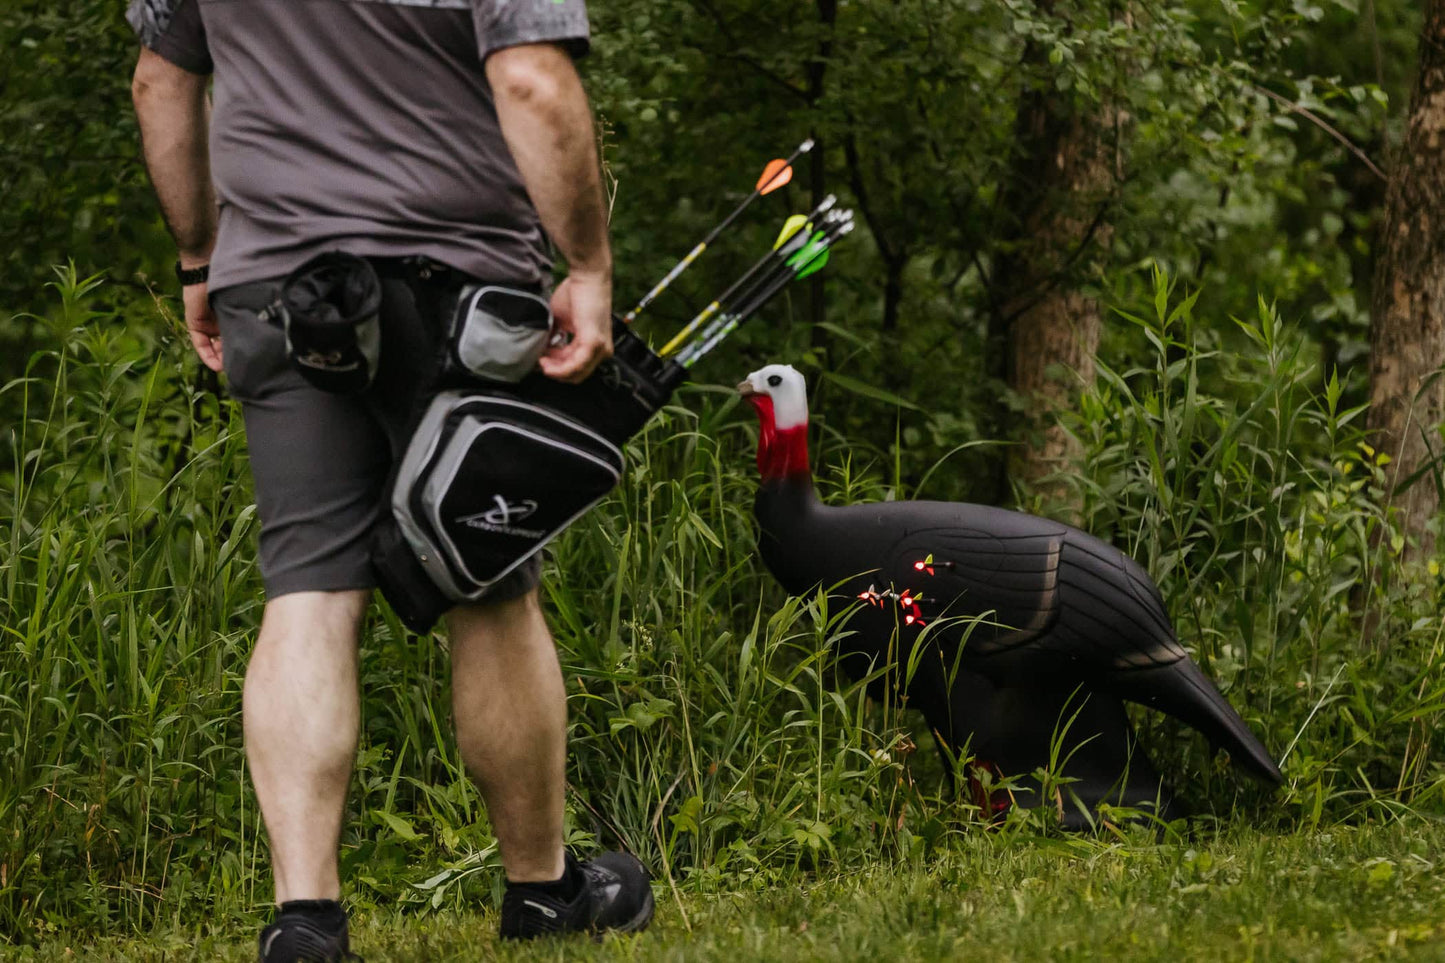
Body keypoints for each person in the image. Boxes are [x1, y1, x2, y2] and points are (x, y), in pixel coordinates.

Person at [126, 0, 653, 957]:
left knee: (309, 590)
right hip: (455, 287)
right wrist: (588, 264)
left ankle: (306, 922)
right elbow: (531, 80)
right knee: (488, 583)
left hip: (277, 283)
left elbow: (161, 79)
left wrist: (200, 258)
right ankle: (541, 892)